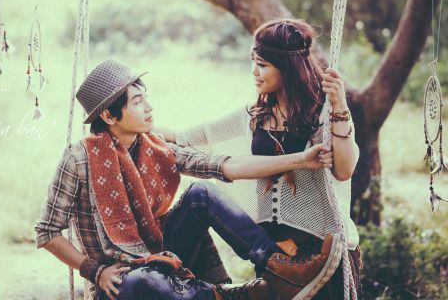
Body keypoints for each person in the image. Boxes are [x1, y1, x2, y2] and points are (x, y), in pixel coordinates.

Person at [35, 58, 341, 300]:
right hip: (120, 279)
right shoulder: (79, 159)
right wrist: (95, 271)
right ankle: (233, 296)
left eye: (146, 98)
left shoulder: (154, 147)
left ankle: (279, 269)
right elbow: (47, 232)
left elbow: (224, 166)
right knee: (140, 282)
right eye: (137, 101)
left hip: (160, 254)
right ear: (109, 116)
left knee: (202, 193)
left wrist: (301, 159)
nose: (149, 107)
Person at [159, 18, 363, 299]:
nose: (254, 72)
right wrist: (129, 129)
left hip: (318, 254)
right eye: (253, 62)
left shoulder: (323, 115)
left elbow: (344, 170)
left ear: (288, 67)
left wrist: (339, 106)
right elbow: (183, 136)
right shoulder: (255, 115)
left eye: (263, 65)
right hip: (274, 255)